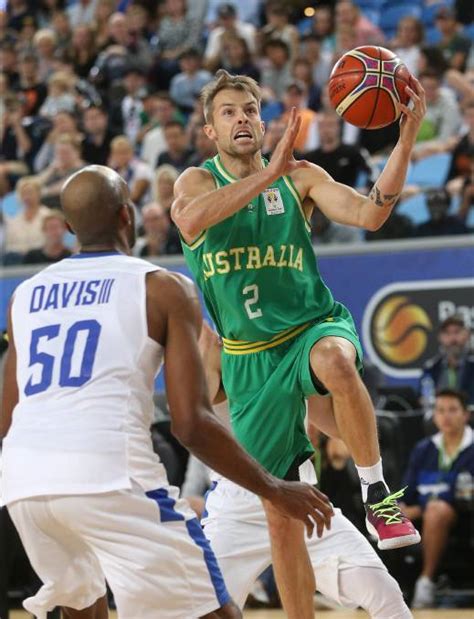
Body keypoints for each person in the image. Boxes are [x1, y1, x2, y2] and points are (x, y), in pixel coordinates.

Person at [0, 165, 332, 619]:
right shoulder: (163, 287)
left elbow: (6, 418)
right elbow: (191, 424)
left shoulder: (24, 295)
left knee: (83, 606)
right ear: (128, 216)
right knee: (215, 613)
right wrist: (274, 487)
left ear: (71, 228)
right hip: (110, 474)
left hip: (24, 483)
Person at [172, 69, 425, 618]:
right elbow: (190, 223)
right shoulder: (196, 181)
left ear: (263, 122)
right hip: (250, 359)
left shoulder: (301, 177)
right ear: (211, 132)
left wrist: (404, 144)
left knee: (335, 359)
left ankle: (378, 495)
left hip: (311, 325)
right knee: (282, 518)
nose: (242, 118)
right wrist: (268, 174)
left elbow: (371, 212)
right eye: (228, 112)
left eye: (249, 109)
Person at [198, 322, 413, 619]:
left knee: (385, 594)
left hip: (300, 497)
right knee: (201, 610)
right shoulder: (214, 349)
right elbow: (192, 421)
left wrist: (348, 397)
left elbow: (333, 424)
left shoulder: (293, 344)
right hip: (236, 507)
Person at [401, 389, 474, 609]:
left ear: (466, 415)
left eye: (453, 410)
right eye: (440, 410)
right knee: (388, 512)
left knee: (436, 509)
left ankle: (426, 581)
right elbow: (408, 492)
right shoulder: (423, 449)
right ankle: (388, 585)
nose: (446, 416)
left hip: (464, 518)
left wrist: (422, 508)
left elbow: (464, 495)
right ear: (433, 416)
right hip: (426, 516)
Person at [419, 314, 474, 407]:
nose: (452, 339)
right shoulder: (431, 368)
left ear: (467, 335)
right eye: (447, 333)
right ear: (440, 337)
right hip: (439, 418)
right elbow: (423, 398)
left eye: (457, 332)